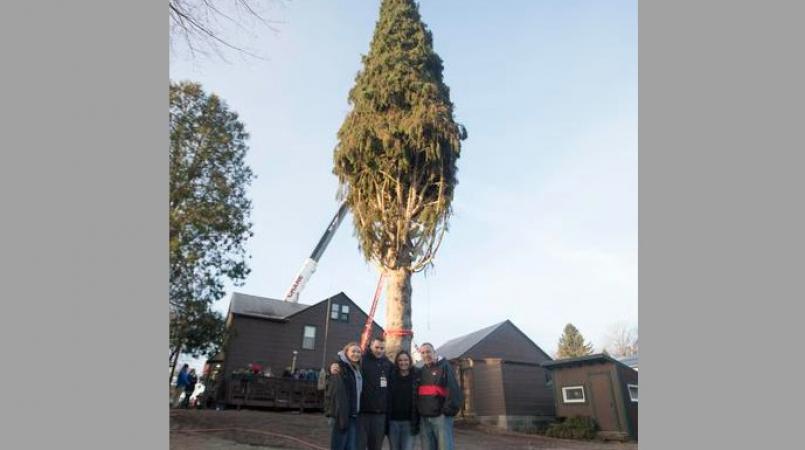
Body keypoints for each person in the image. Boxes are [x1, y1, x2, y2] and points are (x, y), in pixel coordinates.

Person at [330, 337, 393, 450]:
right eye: (377, 347)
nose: (379, 350)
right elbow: (344, 362)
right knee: (358, 445)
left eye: (382, 348)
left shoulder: (387, 364)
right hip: (362, 413)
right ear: (371, 346)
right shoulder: (362, 361)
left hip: (380, 414)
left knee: (376, 446)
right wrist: (333, 364)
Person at [417, 343, 462, 450]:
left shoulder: (445, 367)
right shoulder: (421, 371)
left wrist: (446, 412)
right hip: (425, 419)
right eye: (423, 353)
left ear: (434, 352)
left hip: (441, 418)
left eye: (428, 351)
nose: (426, 355)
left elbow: (453, 391)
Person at [325, 342, 363, 450]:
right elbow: (337, 391)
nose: (356, 354)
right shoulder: (339, 366)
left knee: (351, 446)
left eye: (358, 352)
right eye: (353, 351)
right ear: (346, 352)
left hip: (353, 414)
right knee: (339, 446)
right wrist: (331, 367)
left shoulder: (357, 369)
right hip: (340, 414)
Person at [388, 350, 420, 450]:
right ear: (397, 362)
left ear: (410, 361)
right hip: (393, 422)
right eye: (400, 360)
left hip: (409, 421)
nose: (403, 362)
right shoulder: (391, 375)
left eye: (406, 360)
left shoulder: (417, 375)